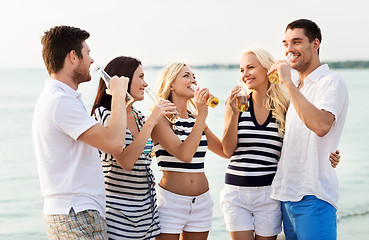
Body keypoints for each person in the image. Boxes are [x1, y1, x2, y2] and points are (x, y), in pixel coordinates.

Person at [220, 48, 341, 240]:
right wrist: (234, 114)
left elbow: (299, 142)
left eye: (251, 67)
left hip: (269, 194)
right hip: (236, 192)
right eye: (242, 70)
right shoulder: (235, 104)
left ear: (268, 69)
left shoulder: (285, 105)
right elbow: (227, 150)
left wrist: (329, 153)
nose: (245, 74)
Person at [32, 26, 129, 239]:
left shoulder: (61, 98)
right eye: (87, 54)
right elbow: (115, 143)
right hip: (75, 212)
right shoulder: (60, 101)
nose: (92, 61)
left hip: (76, 211)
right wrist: (120, 95)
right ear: (73, 57)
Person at [269, 19, 349, 240]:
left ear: (315, 44)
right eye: (285, 43)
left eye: (296, 42)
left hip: (314, 196)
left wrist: (286, 83)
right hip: (287, 196)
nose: (289, 49)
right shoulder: (297, 88)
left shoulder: (330, 82)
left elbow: (322, 125)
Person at [91, 56, 177, 239]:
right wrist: (153, 119)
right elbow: (126, 162)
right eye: (141, 77)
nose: (146, 84)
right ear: (125, 80)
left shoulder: (139, 116)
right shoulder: (105, 114)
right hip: (119, 217)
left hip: (147, 215)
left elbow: (142, 158)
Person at [150, 63, 229, 240]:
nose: (193, 80)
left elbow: (225, 151)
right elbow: (184, 155)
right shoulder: (160, 120)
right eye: (186, 76)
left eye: (194, 76)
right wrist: (202, 115)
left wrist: (232, 112)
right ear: (171, 84)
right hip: (170, 202)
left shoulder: (196, 120)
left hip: (201, 202)